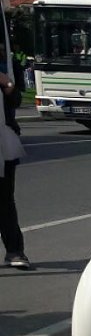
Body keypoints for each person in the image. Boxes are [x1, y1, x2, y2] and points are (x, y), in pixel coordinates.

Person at [0, 57, 28, 268]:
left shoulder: (2, 72)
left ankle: (14, 252)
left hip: (3, 145)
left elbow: (15, 101)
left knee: (5, 201)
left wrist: (7, 84)